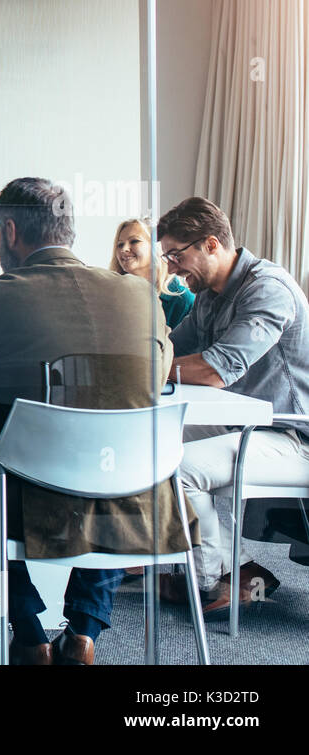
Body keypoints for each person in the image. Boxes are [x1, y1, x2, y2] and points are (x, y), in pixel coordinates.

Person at [0, 177, 190, 665]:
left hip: (29, 500)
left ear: (10, 231)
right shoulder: (141, 297)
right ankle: (82, 634)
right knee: (117, 479)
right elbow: (151, 383)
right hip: (141, 498)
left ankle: (28, 635)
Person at [159, 196, 309, 616]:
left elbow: (213, 370)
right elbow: (173, 346)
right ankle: (239, 570)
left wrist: (151, 366)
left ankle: (220, 576)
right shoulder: (210, 294)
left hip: (293, 433)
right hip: (248, 424)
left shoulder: (268, 289)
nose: (170, 267)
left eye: (176, 255)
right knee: (151, 443)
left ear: (210, 244)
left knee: (180, 467)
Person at [108, 217, 195, 328]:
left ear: (157, 246)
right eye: (120, 244)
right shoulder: (111, 294)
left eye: (134, 241)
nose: (124, 249)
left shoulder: (182, 300)